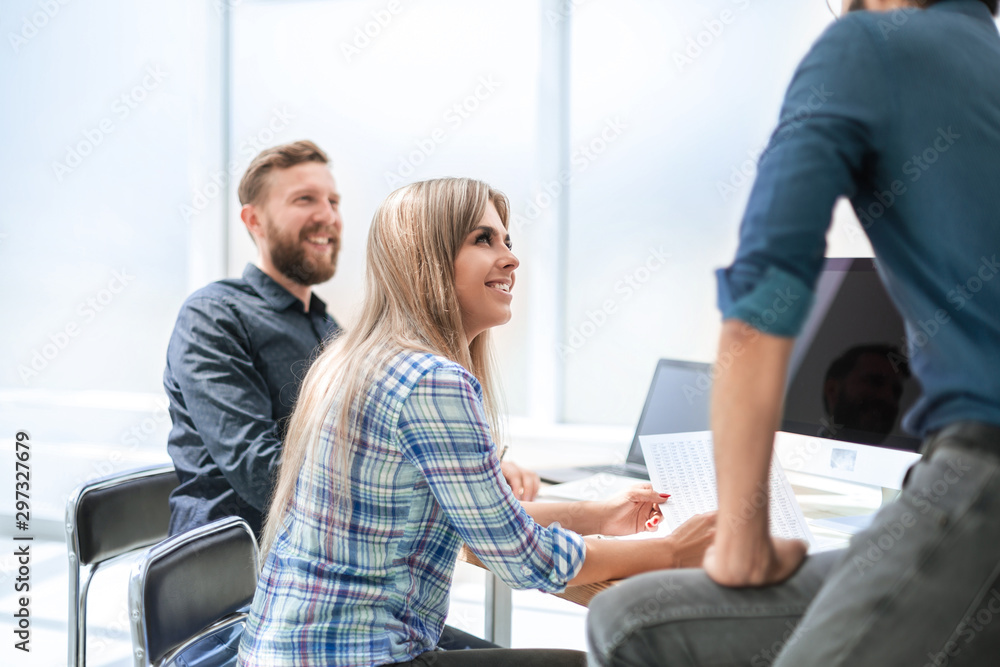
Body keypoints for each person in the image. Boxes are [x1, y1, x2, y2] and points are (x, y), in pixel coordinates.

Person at [587, 1, 1000, 665]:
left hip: (982, 479)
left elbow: (765, 292)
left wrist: (744, 537)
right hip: (956, 481)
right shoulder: (982, 56)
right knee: (633, 621)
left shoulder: (866, 46)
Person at [237, 178, 717, 667]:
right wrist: (674, 551)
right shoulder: (430, 380)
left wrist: (597, 516)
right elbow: (523, 559)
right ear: (424, 257)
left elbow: (479, 523)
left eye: (507, 240)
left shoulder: (349, 359)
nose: (510, 258)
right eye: (483, 239)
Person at [164, 140, 540, 544]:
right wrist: (452, 483)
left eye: (334, 201)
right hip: (233, 566)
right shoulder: (213, 315)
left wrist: (468, 469)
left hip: (320, 551)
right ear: (254, 220)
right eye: (305, 199)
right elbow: (260, 471)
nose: (327, 216)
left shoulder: (332, 333)